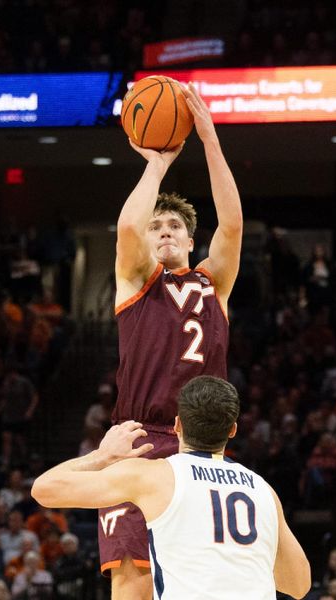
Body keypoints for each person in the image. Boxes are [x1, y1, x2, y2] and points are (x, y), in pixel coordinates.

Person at [104, 82, 243, 598]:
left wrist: (208, 139)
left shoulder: (214, 283)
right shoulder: (137, 282)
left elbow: (231, 224)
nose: (162, 231)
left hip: (201, 445)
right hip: (139, 439)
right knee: (134, 582)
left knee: (205, 581)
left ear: (190, 239)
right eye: (156, 225)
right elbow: (126, 228)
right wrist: (157, 163)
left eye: (173, 226)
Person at [32, 376, 311, 599]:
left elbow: (44, 489)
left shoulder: (155, 476)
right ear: (232, 430)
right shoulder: (263, 490)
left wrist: (102, 456)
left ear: (177, 425)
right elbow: (300, 585)